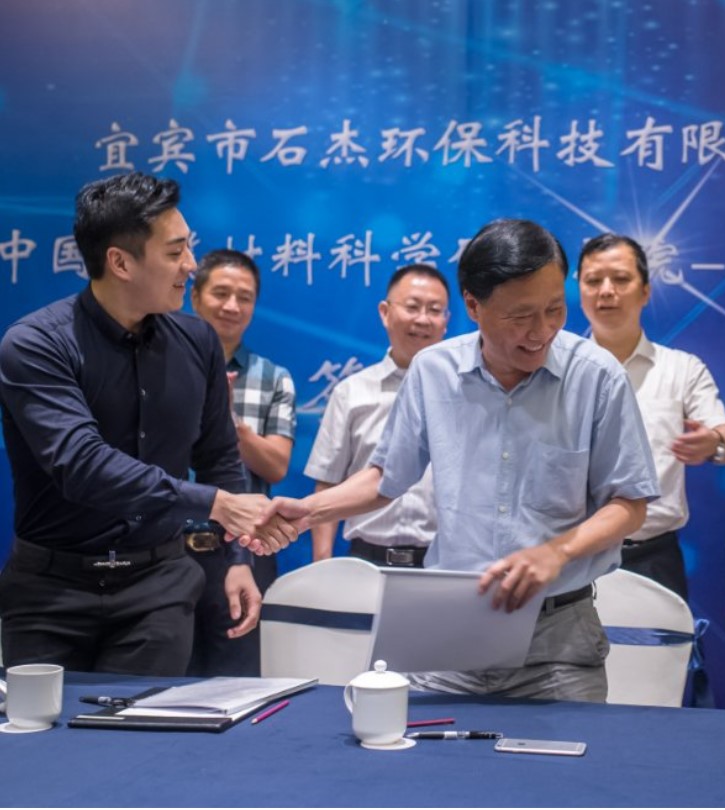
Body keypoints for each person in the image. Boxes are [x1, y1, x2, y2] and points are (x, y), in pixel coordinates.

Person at [251, 218, 660, 702]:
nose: (541, 331)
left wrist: (556, 552)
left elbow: (630, 503)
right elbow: (385, 477)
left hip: (558, 643)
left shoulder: (596, 376)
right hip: (453, 632)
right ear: (473, 305)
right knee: (413, 747)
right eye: (520, 316)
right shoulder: (434, 372)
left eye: (555, 309)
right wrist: (309, 511)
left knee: (564, 752)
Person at [0, 172, 292, 675]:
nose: (191, 265)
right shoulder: (35, 345)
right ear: (120, 262)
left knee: (144, 724)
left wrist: (237, 560)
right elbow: (83, 466)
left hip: (158, 587)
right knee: (44, 725)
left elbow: (219, 455)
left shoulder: (198, 341)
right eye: (176, 252)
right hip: (50, 593)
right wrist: (216, 504)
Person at [578, 233, 725, 600]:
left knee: (661, 640)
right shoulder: (560, 367)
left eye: (621, 279)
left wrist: (713, 443)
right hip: (577, 553)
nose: (606, 291)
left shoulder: (681, 369)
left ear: (646, 291)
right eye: (593, 280)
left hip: (654, 556)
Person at [187, 249, 296, 675]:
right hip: (168, 547)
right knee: (162, 679)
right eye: (221, 293)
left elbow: (275, 467)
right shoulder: (163, 367)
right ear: (195, 296)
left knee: (238, 679)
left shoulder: (273, 377)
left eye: (244, 297)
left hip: (245, 547)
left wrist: (227, 420)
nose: (232, 306)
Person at [304, 264, 448, 566]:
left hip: (440, 563)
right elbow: (329, 482)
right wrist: (321, 564)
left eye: (435, 310)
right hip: (366, 562)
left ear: (445, 322)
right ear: (385, 312)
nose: (423, 319)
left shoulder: (460, 395)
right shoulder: (351, 392)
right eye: (412, 307)